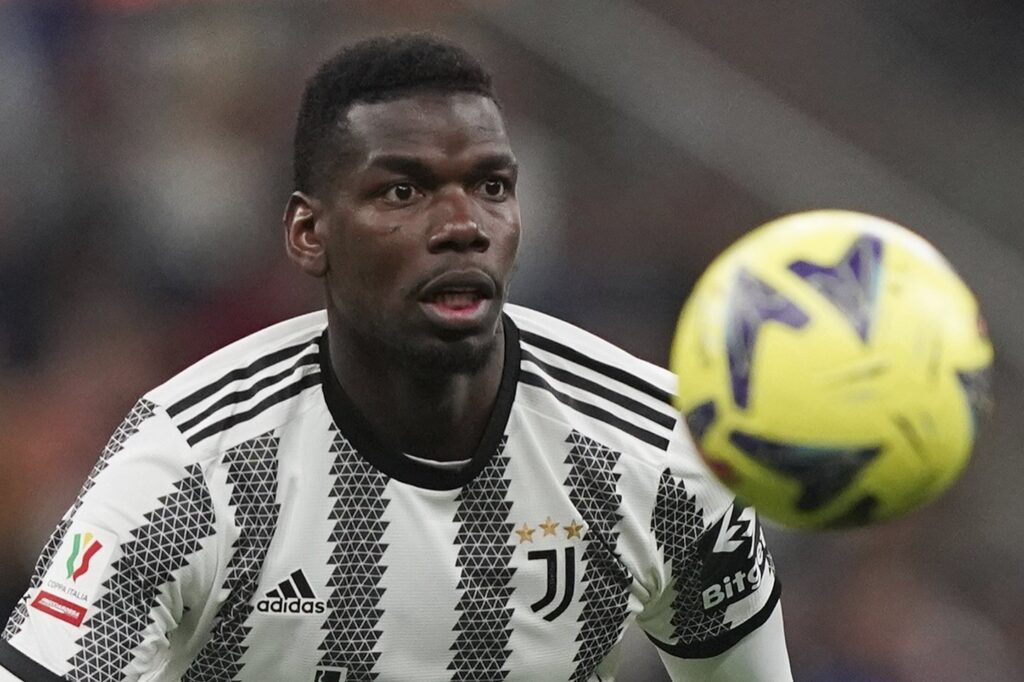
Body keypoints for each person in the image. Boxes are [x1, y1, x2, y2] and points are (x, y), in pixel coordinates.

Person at [0, 34, 792, 681]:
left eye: (491, 186)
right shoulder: (190, 468)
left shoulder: (657, 451)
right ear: (310, 234)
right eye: (402, 193)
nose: (462, 224)